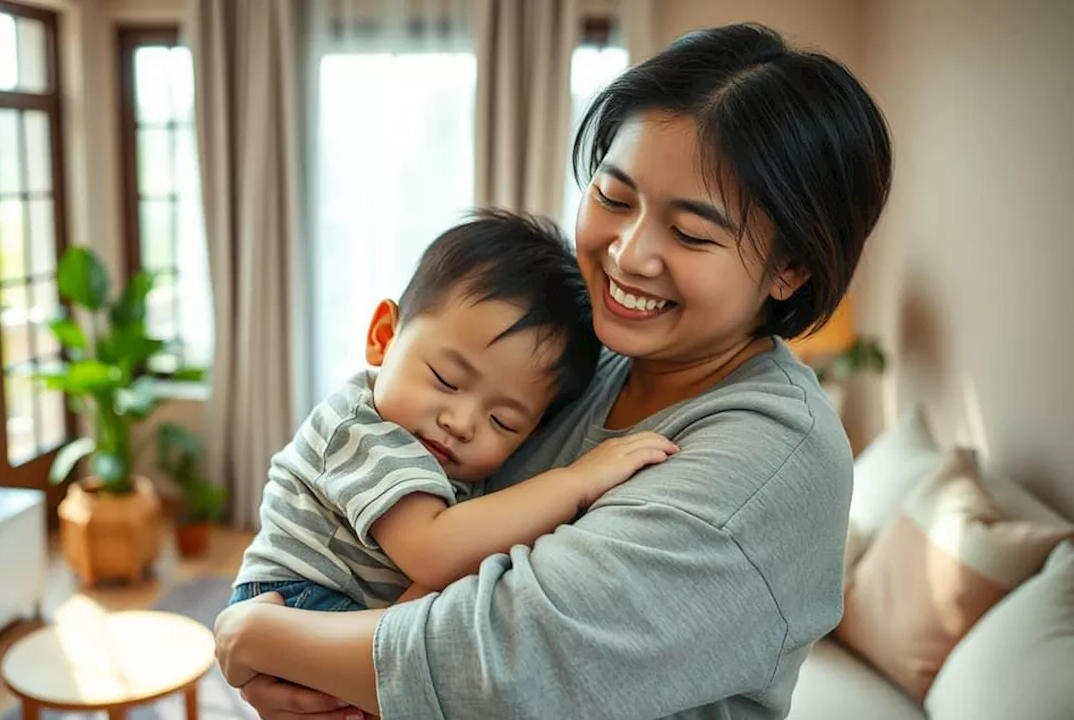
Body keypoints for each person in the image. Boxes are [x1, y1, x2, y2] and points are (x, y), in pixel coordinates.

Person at [213, 22, 893, 720]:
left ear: (791, 269)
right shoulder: (592, 361)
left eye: (690, 233)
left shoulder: (768, 460)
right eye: (614, 196)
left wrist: (264, 635)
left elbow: (501, 666)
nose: (628, 255)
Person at [229, 210, 678, 613]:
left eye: (502, 421)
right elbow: (433, 552)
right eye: (445, 379)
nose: (461, 423)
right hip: (301, 598)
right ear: (384, 336)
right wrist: (576, 482)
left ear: (534, 432)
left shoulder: (434, 444)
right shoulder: (363, 430)